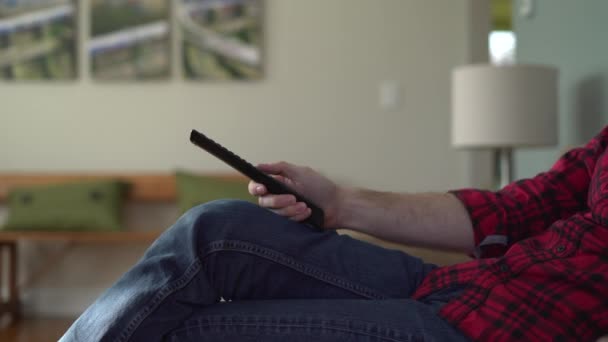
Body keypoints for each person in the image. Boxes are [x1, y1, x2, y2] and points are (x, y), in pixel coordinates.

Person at [60, 126, 608, 342]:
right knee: (216, 227)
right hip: (462, 285)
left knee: (183, 333)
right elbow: (511, 212)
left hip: (490, 332)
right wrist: (340, 203)